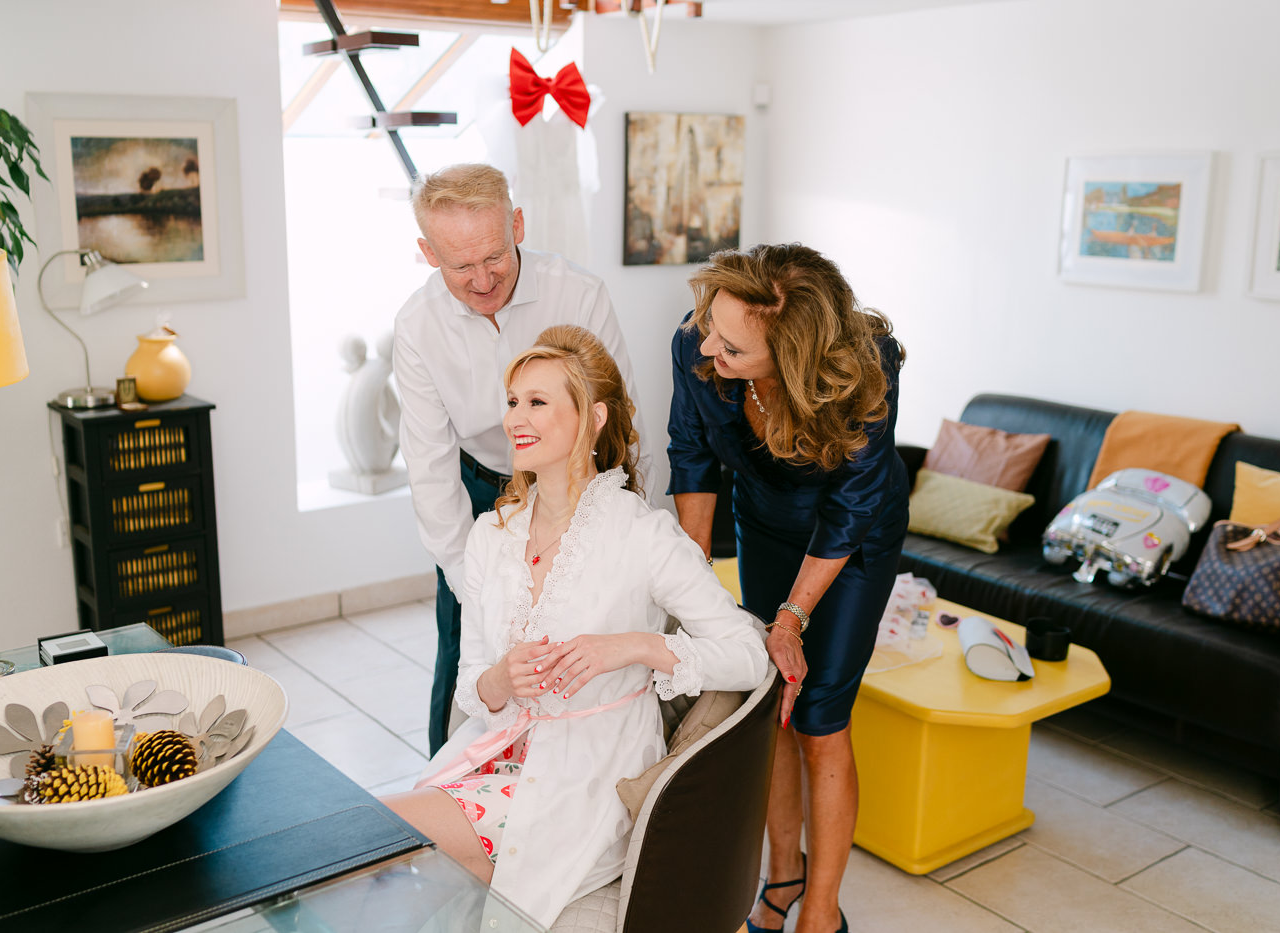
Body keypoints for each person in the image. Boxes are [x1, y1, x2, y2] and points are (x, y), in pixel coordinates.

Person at [383, 325, 768, 928]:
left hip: (588, 776)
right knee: (385, 858)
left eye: (537, 402)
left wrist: (634, 647)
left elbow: (748, 654)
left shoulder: (642, 535)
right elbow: (470, 690)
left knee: (383, 841)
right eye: (512, 401)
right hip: (499, 753)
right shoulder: (492, 536)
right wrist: (501, 680)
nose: (515, 418)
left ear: (592, 418)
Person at [666, 243, 909, 933]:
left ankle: (822, 912)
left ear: (793, 353)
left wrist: (793, 615)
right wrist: (692, 593)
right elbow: (692, 456)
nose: (707, 345)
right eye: (709, 323)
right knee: (771, 699)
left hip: (851, 541)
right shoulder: (698, 341)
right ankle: (782, 880)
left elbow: (852, 507)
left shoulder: (868, 367)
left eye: (733, 346)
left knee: (821, 715)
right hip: (764, 523)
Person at [392, 163, 649, 756]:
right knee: (467, 648)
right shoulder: (416, 325)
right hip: (482, 490)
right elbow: (430, 466)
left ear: (518, 225)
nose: (482, 281)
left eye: (495, 257)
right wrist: (472, 584)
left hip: (580, 482)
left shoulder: (579, 294)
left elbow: (620, 425)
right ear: (428, 253)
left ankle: (574, 767)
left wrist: (622, 524)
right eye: (460, 266)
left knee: (583, 631)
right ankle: (452, 782)